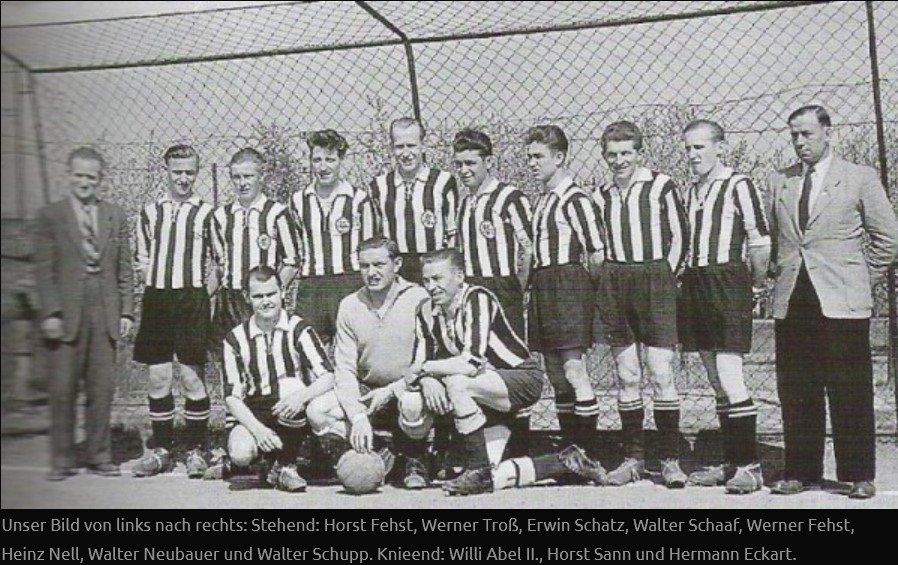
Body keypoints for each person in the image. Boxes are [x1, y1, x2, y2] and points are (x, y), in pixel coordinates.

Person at [768, 105, 898, 499]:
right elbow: (776, 240)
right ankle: (801, 470)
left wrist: (858, 279)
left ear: (828, 133)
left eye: (806, 134)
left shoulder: (859, 178)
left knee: (849, 388)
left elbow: (888, 239)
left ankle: (858, 474)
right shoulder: (780, 180)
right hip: (793, 299)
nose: (799, 142)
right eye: (793, 134)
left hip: (842, 300)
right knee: (797, 388)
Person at [403, 249, 606, 495]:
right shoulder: (426, 310)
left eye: (438, 279)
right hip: (483, 393)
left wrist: (425, 369)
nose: (431, 286)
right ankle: (563, 463)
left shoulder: (477, 298)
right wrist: (426, 378)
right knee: (493, 475)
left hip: (519, 378)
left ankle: (477, 470)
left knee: (458, 383)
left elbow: (470, 363)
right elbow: (416, 366)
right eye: (426, 280)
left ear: (459, 276)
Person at [593, 121, 689, 488]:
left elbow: (680, 235)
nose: (619, 161)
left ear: (639, 153)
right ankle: (632, 458)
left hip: (654, 278)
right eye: (612, 155)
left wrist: (665, 275)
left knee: (661, 371)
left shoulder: (661, 185)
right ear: (604, 156)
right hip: (617, 279)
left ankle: (669, 459)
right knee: (627, 373)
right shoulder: (601, 194)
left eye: (626, 153)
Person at [677, 120, 771, 494]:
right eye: (688, 148)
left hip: (728, 280)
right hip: (696, 282)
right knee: (715, 378)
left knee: (731, 374)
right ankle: (732, 463)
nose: (692, 155)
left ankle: (751, 466)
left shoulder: (739, 184)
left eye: (699, 147)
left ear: (720, 147)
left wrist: (755, 286)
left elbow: (759, 242)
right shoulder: (691, 191)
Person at [34, 147, 134, 481]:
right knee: (63, 388)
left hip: (104, 311)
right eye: (78, 175)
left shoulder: (114, 215)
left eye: (91, 177)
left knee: (102, 388)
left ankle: (99, 454)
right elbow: (44, 270)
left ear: (100, 179)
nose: (85, 182)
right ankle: (62, 458)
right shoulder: (51, 216)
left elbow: (124, 268)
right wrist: (50, 312)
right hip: (67, 314)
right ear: (68, 176)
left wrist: (127, 312)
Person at [303, 237, 432, 488]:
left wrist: (393, 390)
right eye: (364, 266)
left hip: (407, 387)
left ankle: (414, 458)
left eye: (379, 265)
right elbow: (345, 368)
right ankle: (373, 453)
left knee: (413, 404)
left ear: (397, 264)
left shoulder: (420, 298)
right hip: (368, 391)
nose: (371, 273)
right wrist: (358, 416)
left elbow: (424, 360)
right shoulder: (350, 305)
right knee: (318, 410)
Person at [132, 144, 215, 478]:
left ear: (197, 173)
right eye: (177, 172)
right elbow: (142, 258)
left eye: (189, 172)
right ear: (166, 171)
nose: (183, 178)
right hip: (158, 300)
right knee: (159, 376)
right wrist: (155, 285)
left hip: (192, 299)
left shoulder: (206, 213)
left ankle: (196, 449)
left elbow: (219, 262)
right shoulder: (150, 212)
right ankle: (162, 449)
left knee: (191, 376)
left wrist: (202, 295)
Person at [214, 266, 337, 491]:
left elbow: (328, 376)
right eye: (258, 296)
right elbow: (232, 397)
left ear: (282, 292)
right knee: (240, 453)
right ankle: (266, 464)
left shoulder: (299, 328)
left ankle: (287, 464)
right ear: (247, 297)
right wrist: (258, 430)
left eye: (271, 294)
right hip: (255, 410)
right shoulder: (234, 339)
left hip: (291, 406)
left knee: (289, 386)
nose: (266, 301)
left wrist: (302, 396)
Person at [525, 125, 605, 457]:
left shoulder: (575, 199)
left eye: (538, 157)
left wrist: (584, 291)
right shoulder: (543, 200)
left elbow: (597, 252)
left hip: (568, 284)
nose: (532, 163)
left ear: (559, 158)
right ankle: (570, 449)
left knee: (574, 369)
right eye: (529, 157)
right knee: (556, 373)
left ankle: (587, 450)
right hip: (544, 285)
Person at [210, 148, 299, 354]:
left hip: (262, 299)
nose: (242, 183)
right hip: (230, 300)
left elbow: (292, 262)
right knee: (228, 356)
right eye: (237, 177)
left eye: (248, 176)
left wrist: (270, 292)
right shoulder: (221, 216)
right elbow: (220, 264)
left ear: (261, 176)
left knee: (265, 355)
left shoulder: (277, 213)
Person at [291, 130, 377, 344]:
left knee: (352, 346)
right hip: (312, 285)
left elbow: (369, 249)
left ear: (341, 160)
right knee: (308, 347)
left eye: (330, 160)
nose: (323, 167)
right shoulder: (298, 201)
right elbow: (294, 248)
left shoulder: (359, 200)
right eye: (317, 160)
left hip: (348, 281)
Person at [368, 117, 459, 283]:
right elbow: (376, 232)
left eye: (411, 145)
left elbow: (453, 232)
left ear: (423, 145)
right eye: (399, 147)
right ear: (391, 148)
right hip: (396, 268)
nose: (406, 153)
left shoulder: (443, 181)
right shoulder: (379, 186)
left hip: (433, 265)